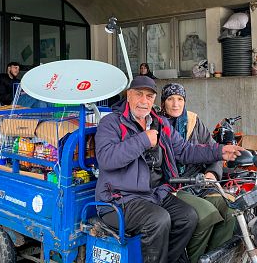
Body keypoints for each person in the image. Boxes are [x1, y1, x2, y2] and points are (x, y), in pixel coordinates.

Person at [95, 76, 243, 263]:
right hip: (119, 199)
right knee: (159, 219)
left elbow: (185, 150)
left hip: (153, 194)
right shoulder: (111, 123)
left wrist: (220, 151)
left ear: (154, 100)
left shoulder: (159, 123)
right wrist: (142, 140)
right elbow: (106, 159)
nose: (144, 100)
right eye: (139, 94)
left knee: (188, 217)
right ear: (129, 96)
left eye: (149, 96)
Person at [160, 83, 236, 263]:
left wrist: (212, 174)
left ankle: (215, 257)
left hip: (199, 183)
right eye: (170, 99)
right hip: (174, 186)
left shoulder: (194, 121)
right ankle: (195, 259)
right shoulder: (157, 123)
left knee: (231, 210)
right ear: (163, 103)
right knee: (207, 214)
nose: (175, 104)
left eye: (180, 99)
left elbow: (213, 152)